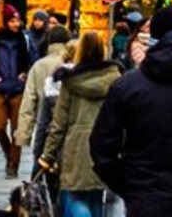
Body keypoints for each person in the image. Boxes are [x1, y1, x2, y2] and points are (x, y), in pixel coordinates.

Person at [90, 6, 172, 217]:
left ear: (153, 38)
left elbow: (102, 145)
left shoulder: (127, 85)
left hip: (144, 195)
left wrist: (128, 184)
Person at [41, 33, 121, 217]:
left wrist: (48, 155)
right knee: (96, 197)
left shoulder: (70, 82)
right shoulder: (115, 80)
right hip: (104, 148)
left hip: (75, 149)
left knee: (73, 197)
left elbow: (59, 124)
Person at [18, 26, 73, 169]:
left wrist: (24, 134)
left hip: (44, 126)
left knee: (40, 166)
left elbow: (29, 101)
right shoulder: (72, 64)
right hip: (69, 127)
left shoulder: (38, 66)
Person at [0, 10, 33, 178]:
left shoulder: (25, 41)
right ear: (6, 22)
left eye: (18, 20)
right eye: (13, 21)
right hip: (1, 89)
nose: (16, 24)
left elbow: (33, 61)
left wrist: (25, 74)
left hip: (18, 90)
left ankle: (13, 166)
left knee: (17, 130)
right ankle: (10, 155)